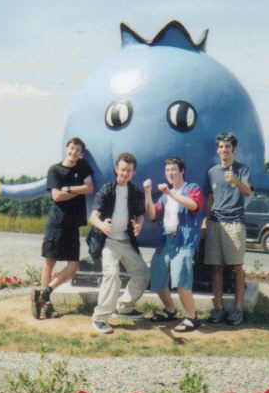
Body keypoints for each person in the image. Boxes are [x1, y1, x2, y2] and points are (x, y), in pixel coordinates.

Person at [88, 152, 149, 334]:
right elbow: (93, 217)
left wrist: (139, 225)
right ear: (116, 169)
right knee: (112, 275)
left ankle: (124, 307)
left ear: (134, 172)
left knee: (142, 273)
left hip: (126, 240)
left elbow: (140, 215)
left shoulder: (135, 191)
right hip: (108, 242)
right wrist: (102, 225)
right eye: (122, 169)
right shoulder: (107, 189)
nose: (125, 173)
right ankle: (99, 319)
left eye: (129, 170)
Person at [33, 137, 94, 319]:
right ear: (66, 149)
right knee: (50, 262)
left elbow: (89, 188)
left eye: (78, 150)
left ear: (81, 154)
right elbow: (57, 196)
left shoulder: (82, 166)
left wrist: (69, 189)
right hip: (57, 223)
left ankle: (45, 293)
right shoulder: (54, 170)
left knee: (74, 266)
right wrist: (75, 190)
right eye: (72, 148)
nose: (74, 152)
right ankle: (46, 306)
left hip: (73, 224)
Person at [143, 157, 204, 332]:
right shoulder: (165, 196)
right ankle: (170, 311)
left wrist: (171, 193)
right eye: (167, 170)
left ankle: (192, 318)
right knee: (157, 277)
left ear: (182, 171)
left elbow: (193, 205)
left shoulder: (192, 188)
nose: (170, 173)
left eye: (174, 169)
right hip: (165, 240)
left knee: (181, 278)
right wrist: (147, 193)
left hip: (184, 240)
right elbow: (152, 215)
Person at [202, 132, 252, 326]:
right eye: (221, 147)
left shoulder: (242, 169)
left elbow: (248, 191)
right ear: (217, 150)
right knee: (216, 267)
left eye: (228, 147)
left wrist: (235, 180)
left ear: (234, 149)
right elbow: (210, 198)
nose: (224, 150)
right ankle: (219, 308)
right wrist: (206, 221)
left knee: (237, 268)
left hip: (235, 223)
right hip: (215, 222)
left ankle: (238, 310)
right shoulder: (212, 171)